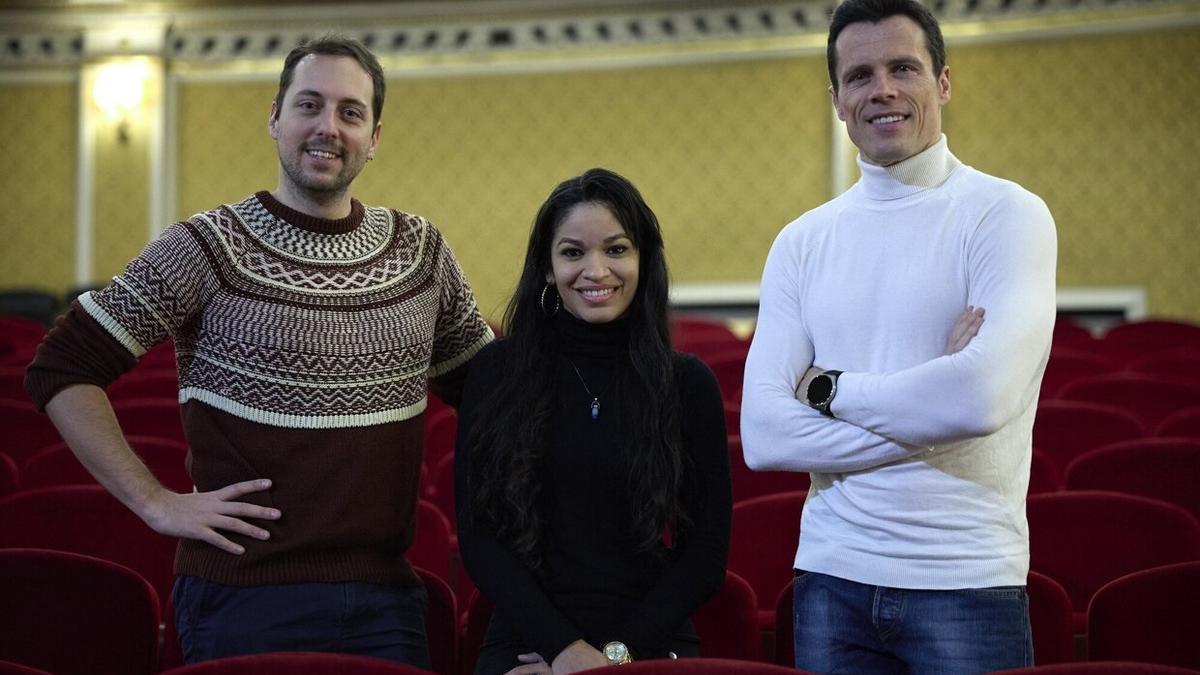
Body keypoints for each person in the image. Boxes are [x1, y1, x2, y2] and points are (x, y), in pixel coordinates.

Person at [24, 35, 493, 666]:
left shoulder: (420, 252)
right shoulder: (206, 245)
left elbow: (496, 393)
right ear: (274, 118)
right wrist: (155, 502)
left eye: (350, 113)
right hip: (238, 601)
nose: (327, 127)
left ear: (374, 138)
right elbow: (62, 366)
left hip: (385, 604)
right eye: (309, 105)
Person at [740, 0, 1057, 670]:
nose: (881, 89)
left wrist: (828, 389)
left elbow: (977, 401)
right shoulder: (800, 242)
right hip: (831, 576)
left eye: (902, 67)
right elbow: (766, 437)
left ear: (943, 82)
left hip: (966, 576)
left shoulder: (1008, 215)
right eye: (859, 75)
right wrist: (930, 396)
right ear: (836, 99)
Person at [455, 168, 732, 674]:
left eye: (617, 249)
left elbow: (705, 556)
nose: (596, 270)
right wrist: (564, 652)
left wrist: (613, 658)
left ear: (644, 261)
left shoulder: (687, 384)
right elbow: (481, 541)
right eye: (573, 252)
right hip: (528, 639)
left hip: (649, 639)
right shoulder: (497, 372)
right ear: (547, 267)